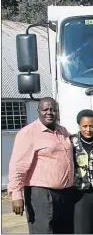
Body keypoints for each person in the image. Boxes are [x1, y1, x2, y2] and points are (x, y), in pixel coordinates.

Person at [7, 97, 74, 233]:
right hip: (41, 194)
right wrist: (16, 195)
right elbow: (18, 166)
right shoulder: (28, 133)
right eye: (45, 109)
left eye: (53, 109)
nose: (50, 112)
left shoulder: (63, 131)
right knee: (43, 231)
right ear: (38, 111)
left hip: (65, 193)